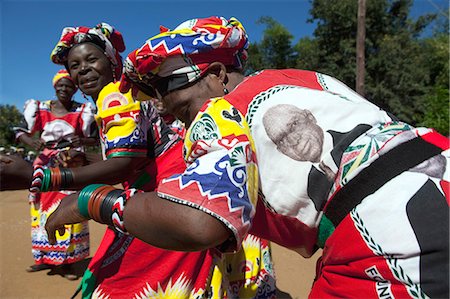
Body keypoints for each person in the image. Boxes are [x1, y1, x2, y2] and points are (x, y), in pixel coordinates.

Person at [46, 16, 449, 298]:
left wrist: (91, 200)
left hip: (393, 242)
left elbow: (200, 223)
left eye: (168, 87)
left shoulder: (221, 112)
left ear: (217, 74)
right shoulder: (309, 80)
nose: (164, 106)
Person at [45, 22, 275, 298]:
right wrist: (86, 159)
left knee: (129, 282)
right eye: (75, 64)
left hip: (176, 198)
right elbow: (136, 155)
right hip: (185, 195)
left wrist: (53, 180)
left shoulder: (115, 97)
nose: (82, 69)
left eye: (91, 59)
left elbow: (125, 162)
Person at [13, 69, 97, 278]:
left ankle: (68, 261)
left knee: (70, 209)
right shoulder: (41, 108)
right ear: (54, 87)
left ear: (75, 89)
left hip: (71, 164)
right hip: (44, 165)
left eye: (68, 86)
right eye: (60, 85)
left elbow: (95, 137)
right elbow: (19, 131)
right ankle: (45, 258)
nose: (64, 89)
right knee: (40, 211)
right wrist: (32, 141)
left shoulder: (83, 110)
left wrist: (82, 141)